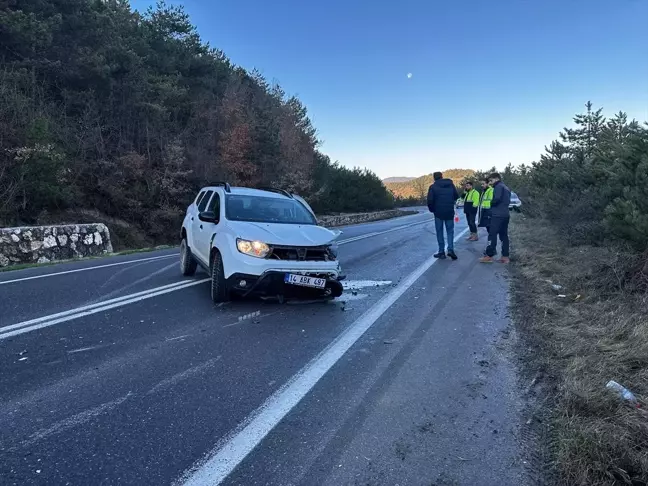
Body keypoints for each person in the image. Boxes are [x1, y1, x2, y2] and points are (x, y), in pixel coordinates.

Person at [480, 172, 511, 264]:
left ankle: (489, 256)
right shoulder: (506, 187)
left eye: (491, 180)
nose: (490, 183)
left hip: (497, 215)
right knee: (504, 235)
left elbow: (496, 199)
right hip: (505, 214)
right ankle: (505, 257)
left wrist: (491, 204)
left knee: (492, 234)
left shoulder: (498, 187)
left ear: (496, 179)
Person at [427, 171, 459, 260]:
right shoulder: (451, 185)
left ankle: (441, 252)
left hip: (438, 213)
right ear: (442, 176)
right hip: (449, 211)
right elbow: (456, 196)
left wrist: (432, 210)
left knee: (439, 231)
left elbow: (430, 200)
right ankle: (450, 250)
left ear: (434, 178)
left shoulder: (433, 187)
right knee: (450, 231)